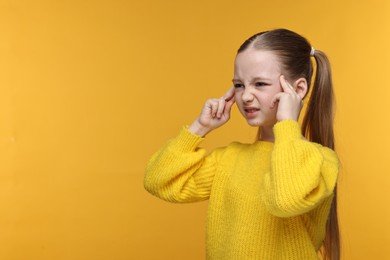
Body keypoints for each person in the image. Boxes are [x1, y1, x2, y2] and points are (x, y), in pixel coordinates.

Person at [144, 28, 340, 260]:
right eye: (239, 85)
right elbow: (158, 181)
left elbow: (285, 199)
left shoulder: (321, 161)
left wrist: (287, 123)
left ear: (297, 89)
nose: (245, 96)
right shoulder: (228, 159)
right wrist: (200, 127)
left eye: (259, 84)